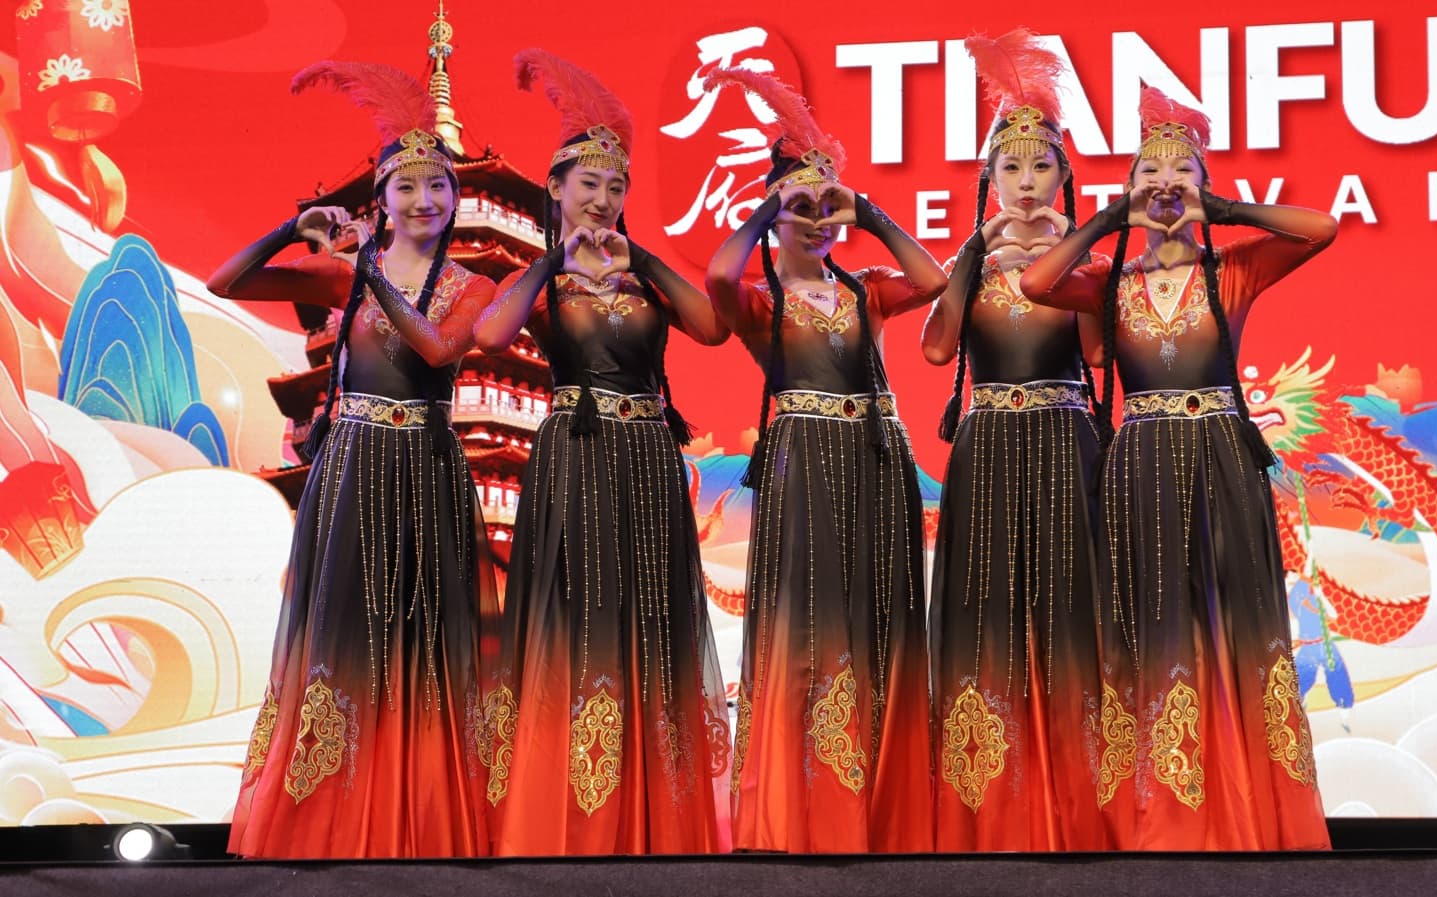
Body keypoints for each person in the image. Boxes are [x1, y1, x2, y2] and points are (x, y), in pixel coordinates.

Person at [1019, 87, 1337, 850]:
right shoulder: (1109, 280)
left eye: (1181, 172)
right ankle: (1163, 814)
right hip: (1142, 464)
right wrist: (1110, 218)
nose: (1165, 184)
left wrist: (1220, 210)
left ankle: (1250, 810)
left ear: (1202, 185)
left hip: (1221, 456)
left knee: (1236, 622)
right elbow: (1036, 284)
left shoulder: (1232, 268)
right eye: (1149, 173)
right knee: (1152, 624)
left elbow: (1321, 228)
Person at [210, 62, 498, 858]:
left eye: (437, 187)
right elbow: (226, 281)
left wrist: (369, 267)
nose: (424, 200)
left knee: (426, 639)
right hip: (355, 466)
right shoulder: (342, 272)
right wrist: (291, 226)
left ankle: (421, 816)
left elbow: (437, 349)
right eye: (407, 188)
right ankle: (328, 815)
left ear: (455, 197)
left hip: (429, 466)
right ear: (382, 198)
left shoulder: (473, 285)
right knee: (343, 632)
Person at [471, 49, 731, 855]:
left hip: (647, 458)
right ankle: (570, 809)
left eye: (617, 187)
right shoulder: (543, 280)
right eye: (590, 184)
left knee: (648, 617)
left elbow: (712, 326)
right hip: (577, 459)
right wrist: (552, 257)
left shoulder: (639, 275)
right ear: (555, 187)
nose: (604, 199)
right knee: (579, 619)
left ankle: (654, 811)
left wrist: (640, 256)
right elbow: (489, 334)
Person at [703, 68, 946, 853]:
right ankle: (802, 809)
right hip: (803, 463)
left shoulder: (864, 290)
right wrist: (767, 209)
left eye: (825, 207)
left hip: (875, 461)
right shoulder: (761, 298)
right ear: (775, 212)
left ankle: (878, 810)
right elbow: (715, 276)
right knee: (808, 627)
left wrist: (867, 212)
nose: (817, 221)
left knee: (878, 625)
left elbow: (933, 280)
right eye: (801, 208)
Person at [918, 28, 1109, 852]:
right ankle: (988, 801)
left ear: (1064, 176)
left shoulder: (1082, 260)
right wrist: (970, 253)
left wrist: (1072, 257)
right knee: (986, 612)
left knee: (1070, 613)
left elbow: (1097, 356)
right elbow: (936, 350)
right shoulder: (973, 258)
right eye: (1010, 168)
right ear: (988, 180)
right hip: (990, 443)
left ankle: (1080, 797)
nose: (1026, 183)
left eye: (1041, 167)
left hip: (1066, 440)